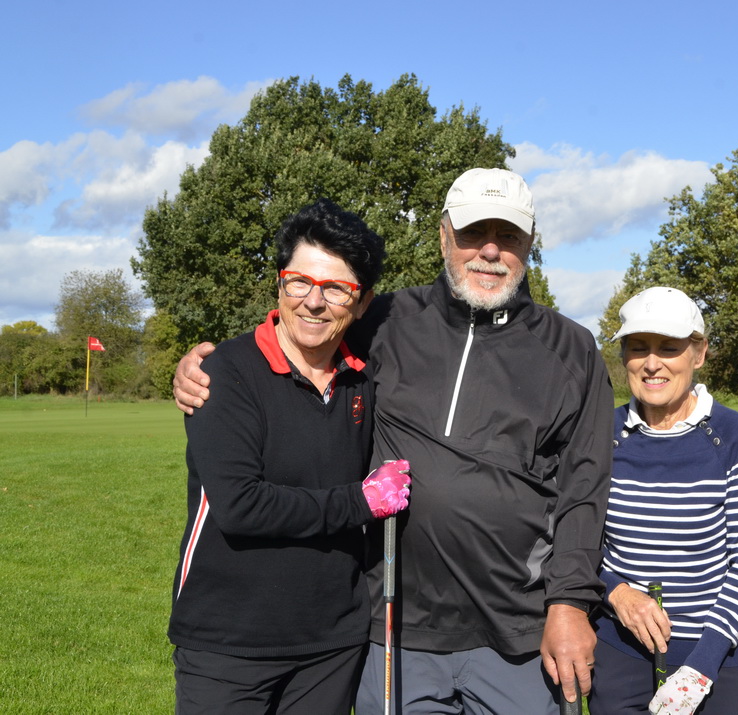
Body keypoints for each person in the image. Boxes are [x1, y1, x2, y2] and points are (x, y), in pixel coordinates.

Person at [173, 168, 613, 713]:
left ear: (530, 243)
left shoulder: (573, 349)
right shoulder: (383, 320)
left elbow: (585, 487)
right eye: (473, 232)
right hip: (396, 626)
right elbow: (301, 326)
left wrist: (569, 604)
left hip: (517, 630)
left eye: (509, 236)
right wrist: (202, 365)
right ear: (444, 235)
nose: (490, 250)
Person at [168, 199, 412, 714]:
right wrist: (362, 502)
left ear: (362, 302)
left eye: (336, 288)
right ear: (279, 284)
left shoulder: (365, 379)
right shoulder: (225, 373)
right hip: (227, 641)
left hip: (332, 645)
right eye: (299, 282)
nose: (313, 302)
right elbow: (241, 507)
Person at [588, 287, 738, 715]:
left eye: (669, 348)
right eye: (638, 347)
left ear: (699, 353)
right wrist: (617, 593)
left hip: (717, 653)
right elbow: (575, 541)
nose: (652, 363)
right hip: (621, 648)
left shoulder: (734, 434)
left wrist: (700, 668)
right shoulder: (601, 433)